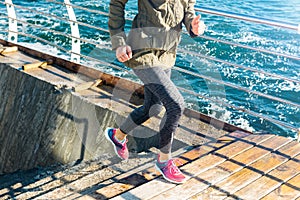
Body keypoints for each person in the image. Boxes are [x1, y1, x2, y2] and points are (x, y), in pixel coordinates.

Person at [105, 0, 206, 184]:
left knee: (153, 107)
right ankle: (164, 160)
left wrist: (193, 25)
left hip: (166, 54)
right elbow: (117, 3)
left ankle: (118, 135)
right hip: (141, 51)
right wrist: (118, 42)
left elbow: (188, 10)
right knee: (176, 106)